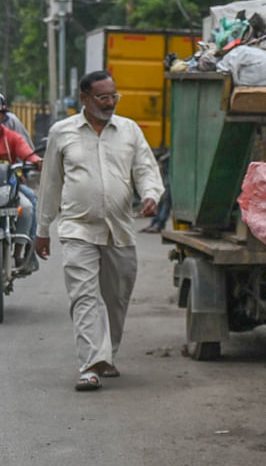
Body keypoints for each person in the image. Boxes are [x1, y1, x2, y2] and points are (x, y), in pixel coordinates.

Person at [35, 71, 163, 392]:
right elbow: (50, 183)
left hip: (119, 229)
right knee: (84, 297)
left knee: (117, 298)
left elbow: (146, 169)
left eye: (113, 96)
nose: (109, 103)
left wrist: (150, 195)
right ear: (84, 99)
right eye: (102, 97)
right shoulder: (62, 133)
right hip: (78, 228)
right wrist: (42, 229)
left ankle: (108, 355)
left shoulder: (129, 131)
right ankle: (90, 365)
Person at [2, 116, 41, 272]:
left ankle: (21, 251)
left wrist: (37, 161)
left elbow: (28, 154)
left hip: (10, 188)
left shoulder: (12, 137)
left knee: (26, 207)